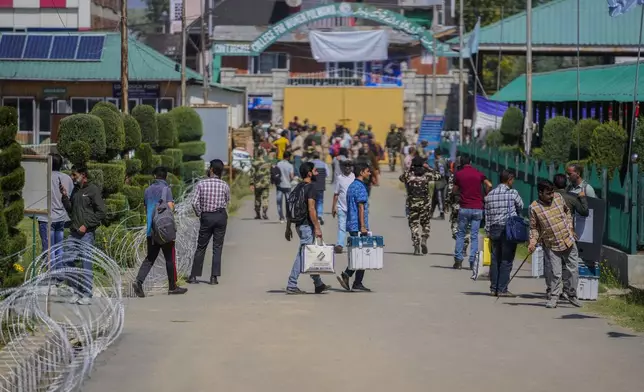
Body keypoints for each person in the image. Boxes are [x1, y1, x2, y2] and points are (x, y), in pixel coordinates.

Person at [132, 167, 188, 297]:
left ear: (154, 176)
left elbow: (146, 208)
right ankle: (172, 287)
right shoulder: (166, 190)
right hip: (164, 229)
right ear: (166, 177)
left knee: (150, 258)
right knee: (169, 258)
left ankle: (138, 282)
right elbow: (170, 207)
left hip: (151, 230)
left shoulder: (147, 190)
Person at [528, 180, 582, 309]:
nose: (551, 195)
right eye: (548, 193)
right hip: (551, 244)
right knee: (555, 272)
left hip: (567, 240)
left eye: (552, 192)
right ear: (540, 193)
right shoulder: (534, 207)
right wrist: (533, 241)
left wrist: (570, 228)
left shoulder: (559, 198)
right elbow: (534, 227)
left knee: (573, 269)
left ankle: (571, 294)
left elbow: (567, 212)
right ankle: (553, 297)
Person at [60, 166, 106, 305]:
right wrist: (65, 197)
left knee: (86, 263)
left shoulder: (93, 190)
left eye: (74, 175)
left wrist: (86, 225)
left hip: (87, 234)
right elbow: (71, 210)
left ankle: (86, 293)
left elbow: (101, 212)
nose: (72, 177)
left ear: (83, 175)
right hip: (74, 232)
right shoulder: (76, 190)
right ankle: (75, 291)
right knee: (67, 259)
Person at [284, 162, 331, 294]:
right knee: (303, 254)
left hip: (299, 225)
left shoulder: (297, 187)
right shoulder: (311, 188)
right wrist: (317, 227)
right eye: (315, 171)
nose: (317, 173)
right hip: (306, 225)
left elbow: (289, 207)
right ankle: (292, 284)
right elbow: (311, 208)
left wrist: (288, 228)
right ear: (309, 173)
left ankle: (318, 284)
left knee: (309, 253)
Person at [189, 159, 231, 285]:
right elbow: (227, 200)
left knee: (201, 246)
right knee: (217, 247)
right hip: (220, 216)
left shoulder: (201, 184)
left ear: (211, 170)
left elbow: (194, 202)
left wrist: (200, 213)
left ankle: (194, 276)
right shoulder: (224, 185)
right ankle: (214, 277)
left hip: (206, 216)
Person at [484, 170, 524, 295]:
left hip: (494, 229)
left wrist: (488, 230)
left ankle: (493, 288)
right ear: (509, 179)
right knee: (506, 259)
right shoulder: (512, 193)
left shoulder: (490, 195)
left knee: (495, 259)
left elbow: (487, 215)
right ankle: (502, 289)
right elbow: (521, 206)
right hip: (508, 230)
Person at [337, 162, 372, 292]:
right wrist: (363, 226)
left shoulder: (352, 186)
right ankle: (349, 276)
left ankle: (357, 281)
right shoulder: (360, 187)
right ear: (362, 172)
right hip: (358, 226)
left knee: (359, 253)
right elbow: (361, 207)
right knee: (362, 254)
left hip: (352, 224)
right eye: (367, 171)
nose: (369, 173)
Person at [453, 156, 492, 270]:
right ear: (470, 162)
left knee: (461, 234)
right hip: (477, 208)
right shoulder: (478, 173)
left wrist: (460, 192)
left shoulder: (459, 174)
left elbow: (454, 190)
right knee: (474, 236)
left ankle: (458, 261)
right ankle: (472, 262)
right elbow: (489, 184)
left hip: (464, 208)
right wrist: (486, 195)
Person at [400, 156, 441, 255]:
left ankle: (416, 245)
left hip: (412, 204)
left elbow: (401, 178)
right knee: (425, 223)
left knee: (414, 224)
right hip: (425, 204)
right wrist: (428, 167)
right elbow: (439, 175)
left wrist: (411, 168)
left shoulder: (408, 175)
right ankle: (424, 239)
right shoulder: (427, 175)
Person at [40, 153, 73, 274]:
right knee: (59, 248)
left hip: (46, 218)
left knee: (49, 250)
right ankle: (59, 275)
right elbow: (69, 196)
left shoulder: (44, 177)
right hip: (61, 218)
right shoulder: (67, 178)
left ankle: (52, 275)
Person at [331, 159, 355, 254]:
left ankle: (355, 244)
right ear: (343, 167)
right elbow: (336, 194)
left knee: (353, 228)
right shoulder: (339, 178)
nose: (347, 167)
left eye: (349, 166)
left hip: (353, 208)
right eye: (346, 166)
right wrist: (333, 207)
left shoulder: (354, 177)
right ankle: (340, 245)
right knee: (342, 227)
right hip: (341, 208)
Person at [250, 149, 272, 220]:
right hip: (266, 183)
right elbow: (269, 173)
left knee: (257, 198)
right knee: (265, 198)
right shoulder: (267, 163)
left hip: (258, 184)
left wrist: (251, 183)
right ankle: (264, 213)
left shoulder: (254, 163)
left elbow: (252, 174)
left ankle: (258, 214)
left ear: (257, 154)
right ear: (263, 154)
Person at [310, 152, 329, 225]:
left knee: (313, 201)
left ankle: (314, 216)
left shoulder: (310, 164)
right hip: (321, 185)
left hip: (312, 186)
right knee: (320, 201)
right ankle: (320, 215)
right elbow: (328, 174)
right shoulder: (324, 164)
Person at [276, 151, 295, 223]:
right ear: (288, 157)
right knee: (289, 202)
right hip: (287, 186)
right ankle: (288, 217)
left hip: (279, 185)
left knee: (279, 202)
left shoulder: (278, 164)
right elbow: (291, 176)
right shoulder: (290, 165)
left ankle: (281, 218)